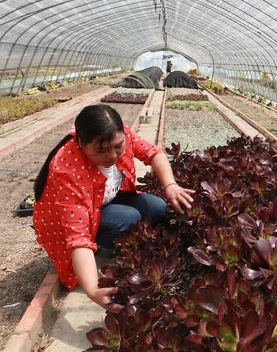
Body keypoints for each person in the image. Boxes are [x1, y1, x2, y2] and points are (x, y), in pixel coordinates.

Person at [33, 104, 195, 308]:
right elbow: (78, 239)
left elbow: (154, 154)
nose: (112, 155)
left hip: (103, 199)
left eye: (118, 147)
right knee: (128, 219)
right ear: (81, 143)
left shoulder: (120, 135)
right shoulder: (67, 170)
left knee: (158, 207)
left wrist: (171, 185)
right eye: (101, 150)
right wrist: (92, 290)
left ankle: (119, 239)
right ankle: (106, 244)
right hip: (73, 219)